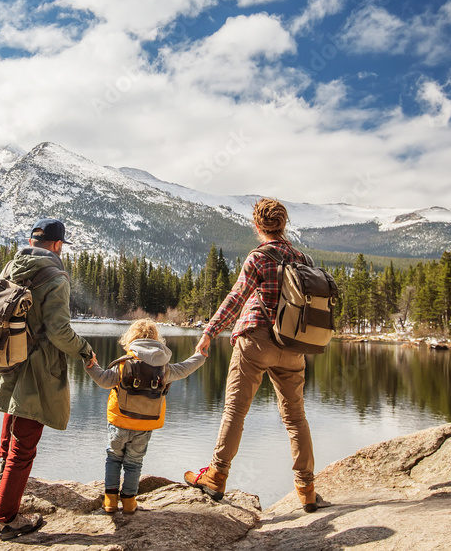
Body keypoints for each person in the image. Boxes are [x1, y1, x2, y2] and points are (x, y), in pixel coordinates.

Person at [184, 198, 320, 513]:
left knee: (235, 411)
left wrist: (209, 331)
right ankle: (307, 488)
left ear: (256, 226)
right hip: (293, 346)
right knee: (296, 418)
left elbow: (237, 296)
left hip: (256, 340)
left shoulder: (259, 257)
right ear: (284, 225)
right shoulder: (303, 258)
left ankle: (216, 475)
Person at [0, 218, 96, 541]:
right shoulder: (55, 277)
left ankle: (4, 480)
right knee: (26, 444)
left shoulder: (11, 266)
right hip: (37, 366)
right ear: (57, 245)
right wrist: (86, 351)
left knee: (13, 417)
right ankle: (7, 519)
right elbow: (59, 332)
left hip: (8, 356)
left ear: (32, 241)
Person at [85, 319, 205, 515]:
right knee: (134, 462)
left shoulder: (124, 363)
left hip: (119, 421)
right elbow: (184, 368)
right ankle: (130, 502)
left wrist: (91, 365)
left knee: (114, 459)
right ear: (156, 339)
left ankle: (110, 500)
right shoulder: (163, 367)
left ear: (130, 338)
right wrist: (200, 356)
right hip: (144, 425)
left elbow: (104, 380)